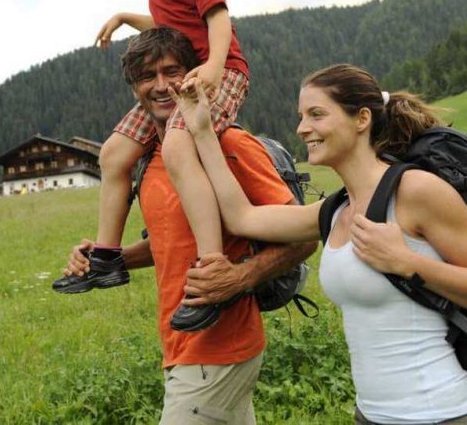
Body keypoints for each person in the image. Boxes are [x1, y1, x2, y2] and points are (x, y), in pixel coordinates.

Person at [171, 64, 467, 424]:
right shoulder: (335, 210)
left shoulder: (415, 191)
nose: (301, 128)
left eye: (316, 114)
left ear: (361, 119)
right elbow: (242, 216)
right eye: (300, 116)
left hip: (441, 412)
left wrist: (407, 262)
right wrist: (202, 130)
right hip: (371, 414)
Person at [60, 28, 317, 423]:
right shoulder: (147, 159)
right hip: (180, 345)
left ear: (194, 73)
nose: (161, 86)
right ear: (134, 89)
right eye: (148, 76)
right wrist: (110, 258)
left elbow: (301, 237)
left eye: (172, 71)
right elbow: (171, 240)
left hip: (218, 350)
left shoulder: (229, 145)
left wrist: (241, 277)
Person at [64, 0, 251, 331]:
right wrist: (129, 17)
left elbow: (216, 17)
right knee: (114, 152)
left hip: (219, 72)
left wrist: (214, 67)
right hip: (182, 76)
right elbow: (174, 25)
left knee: (179, 145)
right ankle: (108, 258)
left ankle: (211, 267)